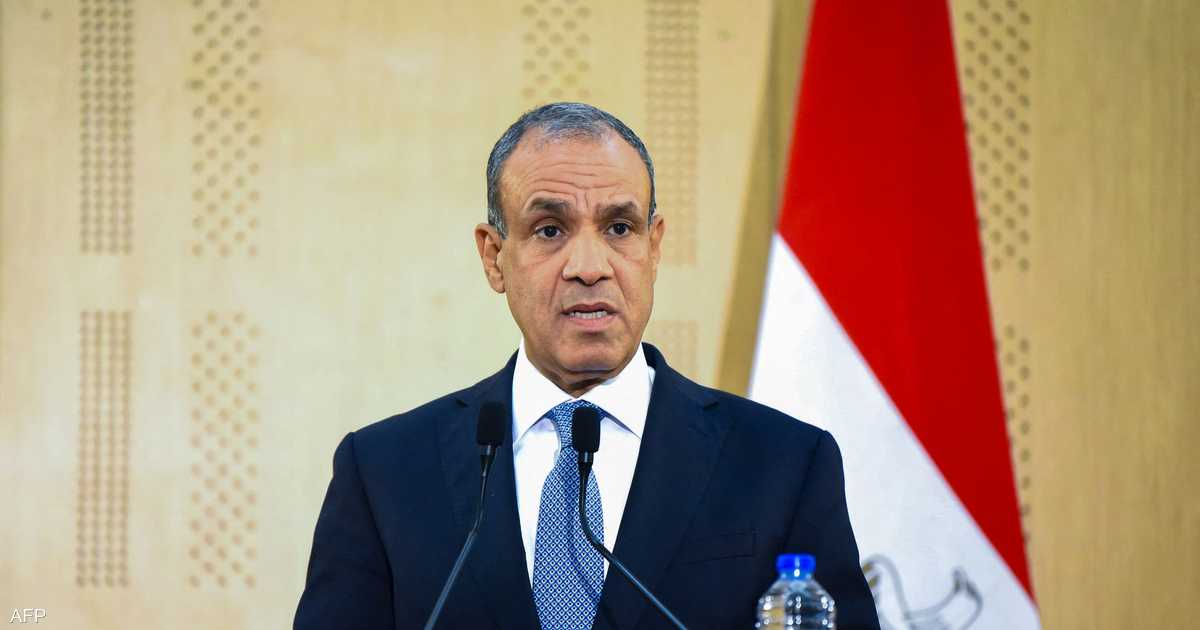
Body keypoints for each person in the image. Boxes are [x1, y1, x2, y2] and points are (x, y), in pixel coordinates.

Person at [294, 102, 880, 630]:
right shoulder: (384, 473)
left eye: (619, 228)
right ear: (494, 257)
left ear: (653, 248)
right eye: (549, 230)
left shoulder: (784, 463)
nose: (589, 266)